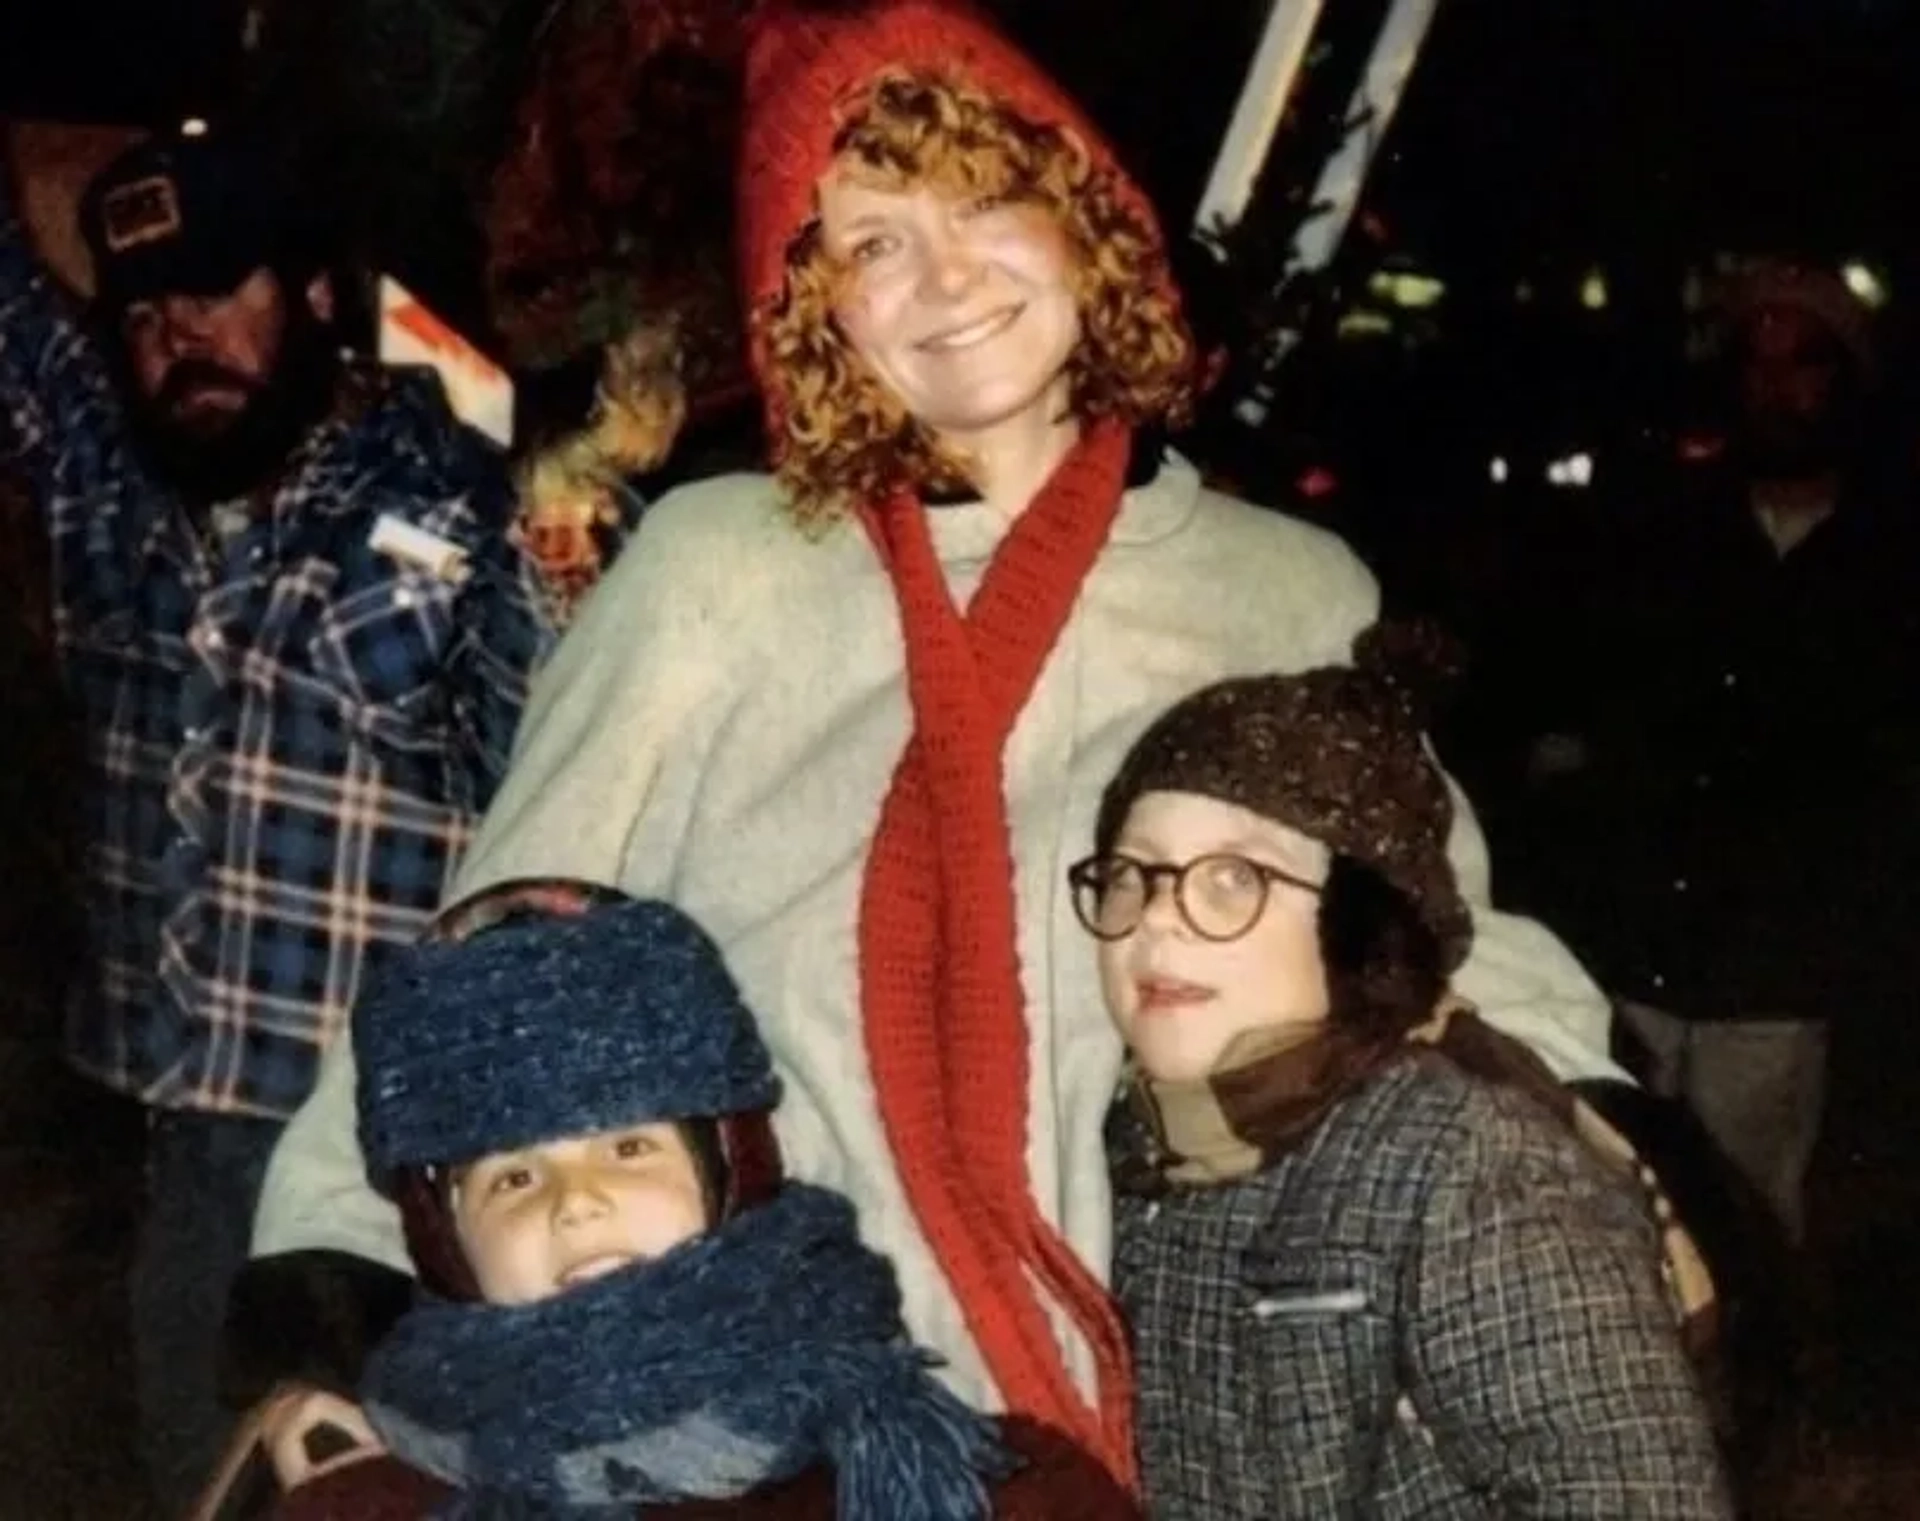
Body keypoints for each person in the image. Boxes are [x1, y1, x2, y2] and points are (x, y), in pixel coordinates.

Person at [243, 0, 1620, 1487]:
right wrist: (326, 1311)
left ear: (1085, 216)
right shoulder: (720, 568)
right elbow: (494, 961)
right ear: (815, 303)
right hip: (803, 1430)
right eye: (870, 241)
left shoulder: (1283, 587)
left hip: (1218, 1403)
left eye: (983, 200)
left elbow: (1447, 942)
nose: (943, 278)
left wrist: (1606, 1136)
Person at [0, 121, 550, 1509]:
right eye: (140, 313)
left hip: (373, 1158)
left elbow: (560, 795)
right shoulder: (108, 489)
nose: (175, 338)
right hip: (136, 1140)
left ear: (313, 299)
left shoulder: (467, 501)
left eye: (214, 291)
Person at [1083, 634, 1731, 1517]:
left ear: (1358, 922)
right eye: (1131, 873)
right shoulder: (1126, 1151)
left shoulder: (1469, 1171)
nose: (1156, 919)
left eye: (1231, 877)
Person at [263, 879, 1134, 1519]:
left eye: (630, 1146)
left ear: (730, 1167)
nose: (576, 1203)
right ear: (444, 1239)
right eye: (513, 1176)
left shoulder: (992, 1490)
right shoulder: (372, 1504)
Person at [1496, 258, 1920, 1246]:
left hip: (1777, 963)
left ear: (1844, 378)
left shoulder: (1885, 548)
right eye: (1756, 361)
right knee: (1612, 1202)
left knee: (1746, 1216)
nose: (1777, 387)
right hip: (1634, 944)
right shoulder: (1663, 524)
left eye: (1803, 361)